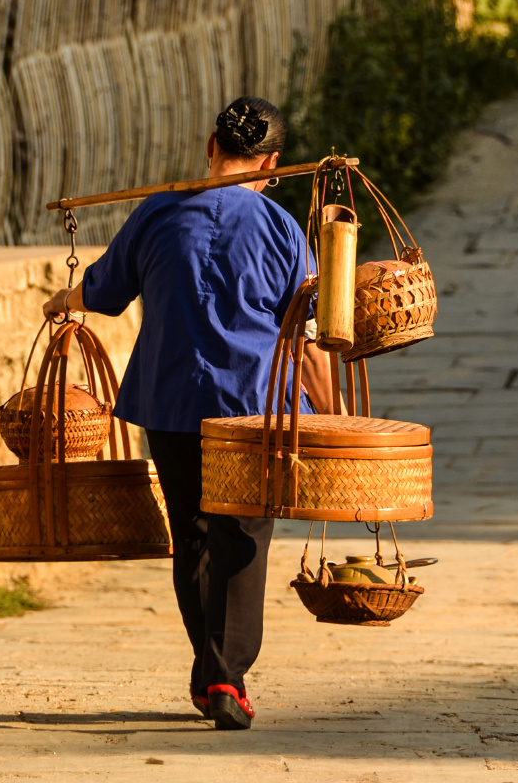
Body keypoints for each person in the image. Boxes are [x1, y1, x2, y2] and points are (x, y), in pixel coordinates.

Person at [43, 96, 337, 731]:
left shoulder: (157, 212)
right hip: (253, 409)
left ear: (211, 148)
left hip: (170, 401)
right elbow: (311, 331)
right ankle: (226, 677)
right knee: (243, 538)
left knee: (195, 534)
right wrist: (331, 411)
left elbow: (104, 291)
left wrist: (61, 301)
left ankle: (213, 676)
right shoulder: (283, 228)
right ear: (273, 164)